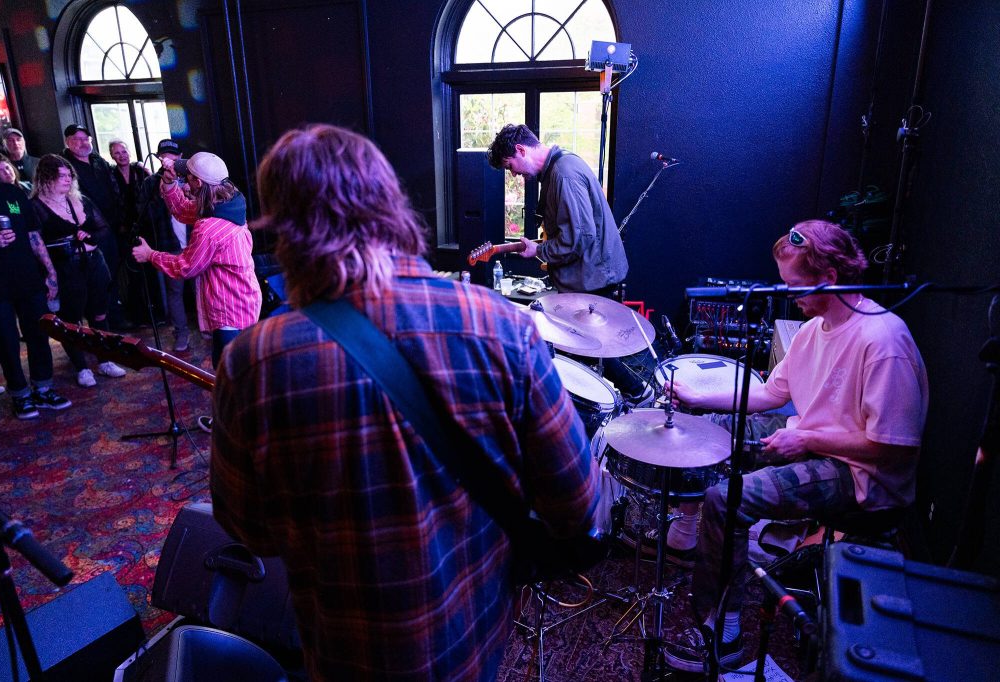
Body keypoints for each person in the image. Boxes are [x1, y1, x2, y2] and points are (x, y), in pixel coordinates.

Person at [209, 124, 601, 680]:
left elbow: (247, 528)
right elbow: (576, 505)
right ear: (390, 206)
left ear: (287, 231)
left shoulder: (252, 361)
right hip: (474, 639)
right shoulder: (501, 327)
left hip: (342, 649)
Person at [662, 220, 929, 672]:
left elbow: (895, 449)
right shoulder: (813, 330)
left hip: (864, 479)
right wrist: (695, 398)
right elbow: (769, 394)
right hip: (817, 445)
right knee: (705, 432)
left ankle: (722, 630)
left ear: (831, 274)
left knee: (727, 501)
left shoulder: (883, 340)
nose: (788, 294)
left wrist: (804, 437)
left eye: (795, 285)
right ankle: (699, 539)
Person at [486, 123, 651, 405]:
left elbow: (579, 238)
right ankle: (620, 396)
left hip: (594, 276)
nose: (514, 174)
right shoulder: (557, 170)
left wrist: (540, 250)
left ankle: (636, 392)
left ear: (521, 150)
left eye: (510, 166)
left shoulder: (563, 174)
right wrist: (538, 247)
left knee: (587, 347)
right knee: (584, 348)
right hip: (589, 272)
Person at [131, 150, 261, 431]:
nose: (185, 182)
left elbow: (185, 267)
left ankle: (233, 425)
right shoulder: (228, 200)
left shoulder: (210, 228)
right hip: (243, 299)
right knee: (241, 366)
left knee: (227, 369)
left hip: (230, 306)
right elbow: (182, 209)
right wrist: (169, 184)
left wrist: (150, 254)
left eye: (188, 178)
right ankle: (242, 418)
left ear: (199, 184)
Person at [0, 140, 71, 419]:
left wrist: (50, 271)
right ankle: (19, 393)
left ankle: (43, 388)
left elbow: (33, 234)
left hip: (28, 278)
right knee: (6, 342)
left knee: (39, 334)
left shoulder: (12, 193)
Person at [30, 154, 127, 388]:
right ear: (46, 177)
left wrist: (91, 237)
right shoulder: (36, 206)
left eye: (69, 174)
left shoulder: (80, 199)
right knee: (70, 319)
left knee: (100, 313)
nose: (67, 179)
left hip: (94, 263)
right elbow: (35, 241)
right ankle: (81, 367)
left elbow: (103, 228)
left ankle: (105, 360)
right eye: (61, 175)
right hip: (65, 269)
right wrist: (50, 274)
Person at [61, 124, 125, 327]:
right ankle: (100, 324)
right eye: (77, 139)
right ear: (68, 142)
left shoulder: (99, 161)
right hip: (86, 233)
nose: (83, 142)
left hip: (110, 228)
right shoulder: (65, 166)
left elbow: (114, 188)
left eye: (85, 138)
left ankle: (115, 319)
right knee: (96, 279)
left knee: (113, 273)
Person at [135, 139, 192, 351]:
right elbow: (145, 216)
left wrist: (188, 191)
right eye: (166, 155)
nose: (170, 159)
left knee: (203, 289)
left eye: (174, 155)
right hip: (170, 244)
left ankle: (210, 329)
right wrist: (163, 195)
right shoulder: (151, 183)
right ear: (160, 157)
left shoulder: (193, 177)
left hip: (196, 242)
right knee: (175, 292)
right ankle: (181, 333)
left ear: (181, 156)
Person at [108, 139, 151, 325]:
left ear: (129, 152)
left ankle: (153, 313)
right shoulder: (110, 175)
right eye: (116, 153)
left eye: (123, 151)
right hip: (124, 230)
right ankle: (136, 314)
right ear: (111, 156)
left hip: (145, 227)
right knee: (133, 274)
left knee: (149, 273)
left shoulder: (141, 171)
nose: (121, 155)